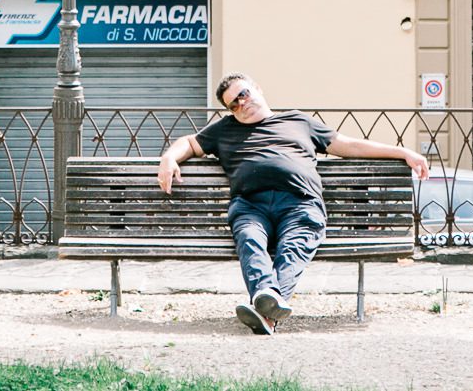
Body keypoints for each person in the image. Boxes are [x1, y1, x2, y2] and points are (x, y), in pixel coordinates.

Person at [156, 71, 429, 335]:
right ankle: (268, 305)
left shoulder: (298, 122)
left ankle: (266, 307)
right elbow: (190, 143)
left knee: (293, 247)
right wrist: (169, 158)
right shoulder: (224, 130)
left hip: (300, 203)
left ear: (257, 88)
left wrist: (403, 152)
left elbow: (349, 145)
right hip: (251, 205)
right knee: (250, 240)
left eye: (244, 94)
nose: (242, 104)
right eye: (234, 104)